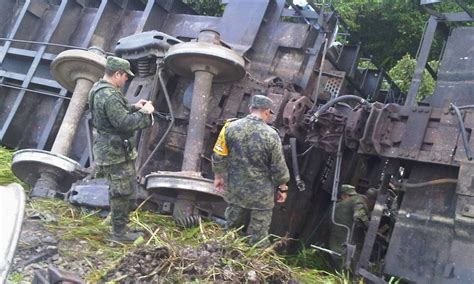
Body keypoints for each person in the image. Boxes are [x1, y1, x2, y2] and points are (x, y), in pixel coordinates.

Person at [88, 56, 155, 242]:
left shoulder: (98, 89)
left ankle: (117, 222)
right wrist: (145, 114)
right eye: (125, 76)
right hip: (115, 153)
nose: (127, 79)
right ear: (117, 74)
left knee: (118, 188)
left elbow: (114, 114)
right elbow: (123, 123)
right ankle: (119, 233)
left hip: (108, 149)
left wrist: (134, 106)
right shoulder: (110, 95)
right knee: (122, 192)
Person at [211, 94, 290, 246]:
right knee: (259, 237)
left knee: (230, 230)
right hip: (261, 196)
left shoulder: (230, 127)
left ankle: (223, 257)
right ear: (267, 112)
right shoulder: (271, 135)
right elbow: (278, 166)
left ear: (250, 108)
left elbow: (219, 155)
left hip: (236, 190)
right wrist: (283, 187)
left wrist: (218, 177)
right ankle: (255, 265)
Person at [328, 184, 378, 270]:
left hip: (334, 240)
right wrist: (372, 229)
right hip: (344, 243)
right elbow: (359, 217)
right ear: (373, 201)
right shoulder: (359, 201)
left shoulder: (345, 202)